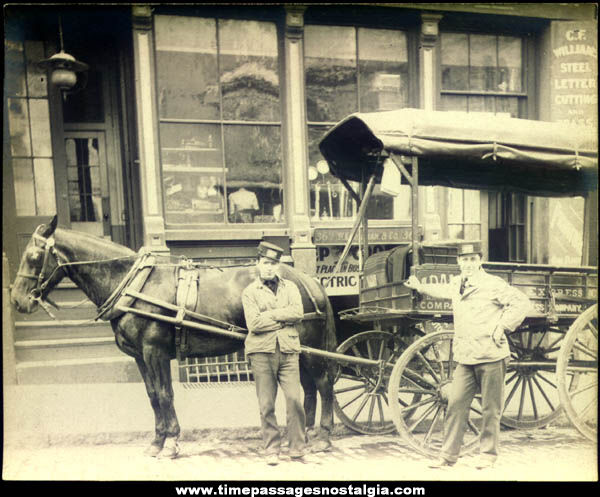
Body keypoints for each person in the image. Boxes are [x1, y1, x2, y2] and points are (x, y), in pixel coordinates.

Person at [404, 241, 533, 470]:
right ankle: (447, 456)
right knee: (455, 404)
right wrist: (420, 286)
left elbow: (521, 302)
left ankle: (488, 455)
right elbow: (442, 291)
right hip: (466, 357)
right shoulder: (457, 283)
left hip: (491, 354)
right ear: (458, 262)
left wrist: (503, 326)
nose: (469, 264)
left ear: (480, 261)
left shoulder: (493, 284)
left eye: (473, 259)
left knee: (490, 408)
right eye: (465, 259)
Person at [241, 241, 307, 465]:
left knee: (294, 400)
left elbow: (298, 313)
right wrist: (282, 317)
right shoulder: (250, 292)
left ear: (278, 266)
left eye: (273, 264)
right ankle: (271, 449)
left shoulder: (290, 288)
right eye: (265, 263)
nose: (269, 267)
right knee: (266, 404)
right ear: (258, 264)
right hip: (262, 353)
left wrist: (270, 315)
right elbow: (254, 324)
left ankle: (297, 448)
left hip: (289, 351)